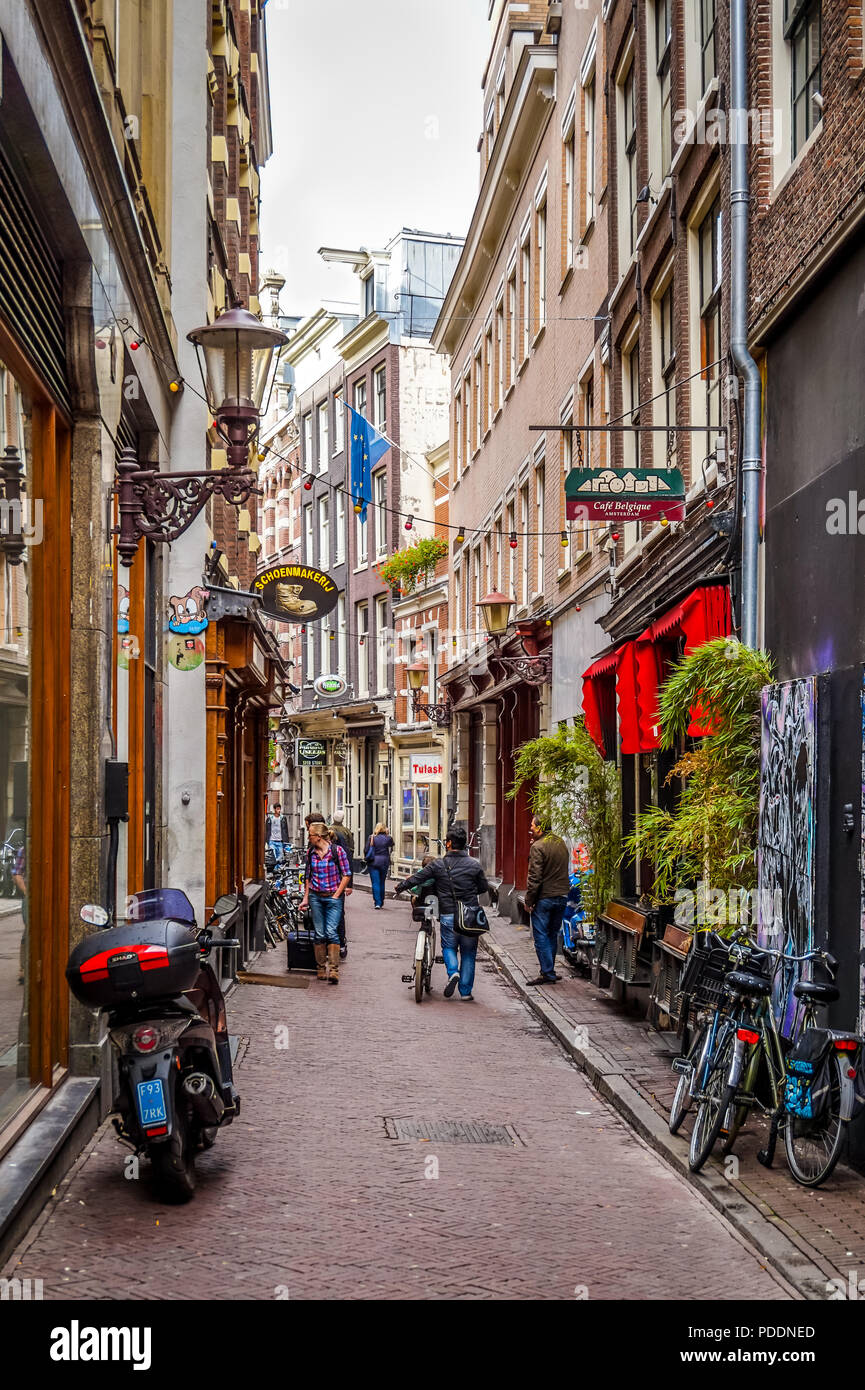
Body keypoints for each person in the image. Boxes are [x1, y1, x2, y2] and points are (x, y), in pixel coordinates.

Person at [395, 828, 489, 1000]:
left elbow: (419, 878)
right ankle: (466, 992)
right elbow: (483, 887)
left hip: (448, 914)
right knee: (468, 952)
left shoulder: (438, 864)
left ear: (449, 843)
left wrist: (400, 886)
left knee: (449, 947)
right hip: (469, 915)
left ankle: (453, 972)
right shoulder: (474, 865)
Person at [299, 822, 351, 984]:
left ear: (319, 837)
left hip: (333, 897)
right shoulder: (311, 853)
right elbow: (308, 877)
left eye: (310, 835)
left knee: (331, 932)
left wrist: (337, 895)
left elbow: (346, 874)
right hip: (316, 897)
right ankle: (321, 968)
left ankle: (334, 970)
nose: (309, 838)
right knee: (319, 933)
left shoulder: (337, 851)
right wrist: (306, 898)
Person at [524, 814, 570, 985]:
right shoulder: (560, 843)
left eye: (533, 826)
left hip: (545, 897)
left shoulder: (538, 846)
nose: (531, 829)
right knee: (552, 933)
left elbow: (534, 877)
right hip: (561, 895)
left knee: (541, 935)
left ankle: (548, 972)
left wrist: (529, 900)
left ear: (540, 827)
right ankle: (549, 970)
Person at [329, 811, 355, 959]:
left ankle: (335, 945)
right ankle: (340, 943)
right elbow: (350, 850)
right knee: (339, 914)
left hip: (332, 884)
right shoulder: (346, 832)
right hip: (338, 882)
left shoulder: (329, 832)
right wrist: (349, 884)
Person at [364, 821, 393, 909]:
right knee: (382, 881)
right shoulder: (388, 838)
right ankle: (382, 900)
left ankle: (377, 902)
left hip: (373, 861)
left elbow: (366, 850)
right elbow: (391, 845)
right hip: (384, 862)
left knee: (375, 882)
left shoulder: (371, 837)